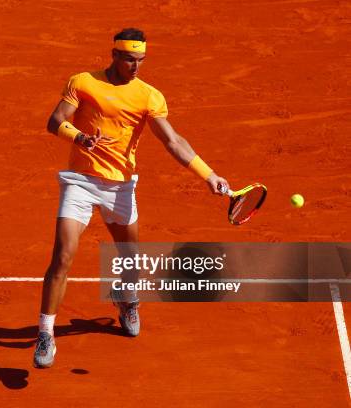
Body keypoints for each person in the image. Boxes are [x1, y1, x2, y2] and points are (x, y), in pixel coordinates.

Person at [33, 28, 229, 368]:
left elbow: (173, 141)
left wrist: (208, 174)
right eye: (129, 59)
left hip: (121, 187)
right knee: (63, 255)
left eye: (141, 60)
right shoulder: (82, 82)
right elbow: (55, 121)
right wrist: (80, 138)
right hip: (80, 181)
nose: (136, 66)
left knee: (129, 260)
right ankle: (45, 335)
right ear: (114, 55)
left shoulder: (149, 96)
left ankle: (127, 301)